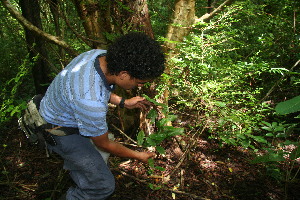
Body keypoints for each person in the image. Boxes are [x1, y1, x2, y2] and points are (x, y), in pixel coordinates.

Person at [39, 32, 165, 200]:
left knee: (96, 161)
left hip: (61, 110)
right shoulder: (88, 98)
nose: (140, 86)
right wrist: (138, 155)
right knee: (103, 185)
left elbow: (99, 89)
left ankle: (80, 174)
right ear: (124, 74)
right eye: (140, 82)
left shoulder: (98, 56)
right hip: (58, 129)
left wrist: (123, 102)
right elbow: (104, 143)